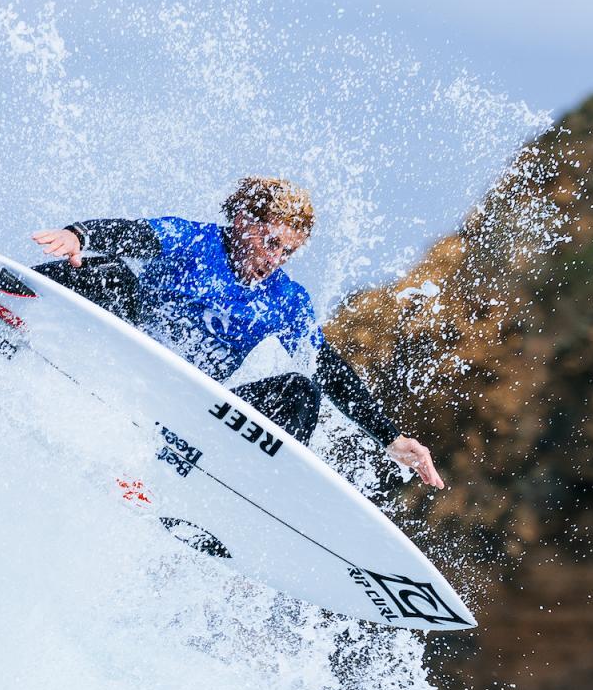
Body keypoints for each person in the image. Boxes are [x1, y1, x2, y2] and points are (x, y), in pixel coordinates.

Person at [29, 176, 444, 488]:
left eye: (288, 252)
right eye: (271, 242)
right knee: (108, 274)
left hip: (192, 416)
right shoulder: (195, 242)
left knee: (302, 391)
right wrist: (78, 235)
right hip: (128, 366)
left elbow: (329, 369)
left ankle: (243, 489)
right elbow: (134, 234)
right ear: (244, 221)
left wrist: (390, 437)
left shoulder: (285, 299)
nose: (276, 259)